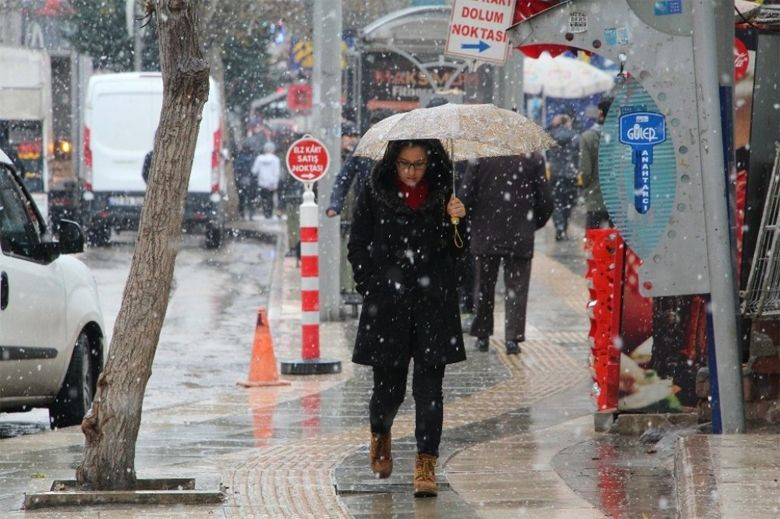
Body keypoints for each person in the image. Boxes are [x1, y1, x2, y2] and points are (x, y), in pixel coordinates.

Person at [347, 139, 466, 498]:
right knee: (389, 391)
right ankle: (380, 432)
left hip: (433, 304)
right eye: (405, 163)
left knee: (430, 391)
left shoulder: (446, 192)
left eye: (419, 164)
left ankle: (426, 464)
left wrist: (458, 220)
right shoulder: (375, 191)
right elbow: (357, 243)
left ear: (431, 162)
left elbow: (459, 252)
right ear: (392, 162)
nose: (412, 172)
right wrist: (371, 285)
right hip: (388, 305)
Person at [460, 153, 553, 355]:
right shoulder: (532, 157)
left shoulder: (481, 155)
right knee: (517, 288)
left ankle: (482, 335)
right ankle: (513, 339)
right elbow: (546, 201)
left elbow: (465, 196)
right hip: (520, 234)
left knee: (484, 286)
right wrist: (531, 224)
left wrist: (472, 222)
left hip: (485, 233)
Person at [579, 97, 614, 229]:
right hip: (618, 202)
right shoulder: (624, 137)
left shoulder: (588, 137)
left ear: (600, 113)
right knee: (617, 238)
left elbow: (585, 171)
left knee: (593, 238)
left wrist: (586, 188)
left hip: (595, 198)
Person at [546, 114, 580, 241]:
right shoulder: (574, 136)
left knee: (557, 203)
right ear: (567, 123)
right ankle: (564, 227)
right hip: (570, 175)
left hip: (555, 174)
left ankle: (559, 228)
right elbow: (578, 154)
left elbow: (547, 154)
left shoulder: (551, 135)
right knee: (568, 203)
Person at [252, 141, 281, 219]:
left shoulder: (259, 159)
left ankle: (266, 212)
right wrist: (275, 183)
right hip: (272, 183)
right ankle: (270, 213)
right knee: (270, 198)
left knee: (264, 198)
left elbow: (254, 171)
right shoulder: (276, 159)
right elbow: (277, 172)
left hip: (262, 182)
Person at [234, 141, 257, 220]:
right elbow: (255, 169)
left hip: (242, 179)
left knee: (242, 199)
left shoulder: (239, 157)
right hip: (251, 180)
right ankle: (250, 214)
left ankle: (242, 214)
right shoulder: (253, 157)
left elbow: (237, 168)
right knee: (251, 198)